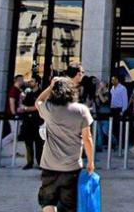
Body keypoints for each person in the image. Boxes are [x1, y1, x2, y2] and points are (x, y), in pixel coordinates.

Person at [35, 77, 95, 212]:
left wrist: (50, 87)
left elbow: (38, 101)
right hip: (71, 166)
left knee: (48, 202)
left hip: (49, 164)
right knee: (69, 205)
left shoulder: (49, 109)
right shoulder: (81, 110)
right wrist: (90, 161)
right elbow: (87, 138)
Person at [20, 77, 45, 169]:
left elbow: (38, 106)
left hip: (37, 121)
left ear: (37, 83)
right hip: (28, 121)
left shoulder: (41, 94)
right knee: (28, 142)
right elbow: (22, 104)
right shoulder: (28, 93)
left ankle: (40, 163)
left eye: (32, 81)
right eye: (29, 81)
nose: (30, 82)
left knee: (39, 143)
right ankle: (29, 162)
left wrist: (26, 108)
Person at [3, 74, 24, 148]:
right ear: (19, 80)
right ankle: (0, 145)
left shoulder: (18, 90)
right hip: (13, 115)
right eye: (22, 80)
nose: (23, 81)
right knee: (15, 132)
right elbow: (11, 102)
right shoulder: (13, 90)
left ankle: (14, 150)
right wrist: (14, 114)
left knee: (15, 132)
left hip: (16, 114)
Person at [109, 75, 128, 147]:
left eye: (113, 80)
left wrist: (123, 110)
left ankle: (122, 143)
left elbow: (125, 100)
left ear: (117, 80)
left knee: (120, 126)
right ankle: (115, 142)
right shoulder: (112, 88)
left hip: (119, 109)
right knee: (114, 126)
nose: (112, 81)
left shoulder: (122, 88)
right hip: (113, 108)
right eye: (112, 80)